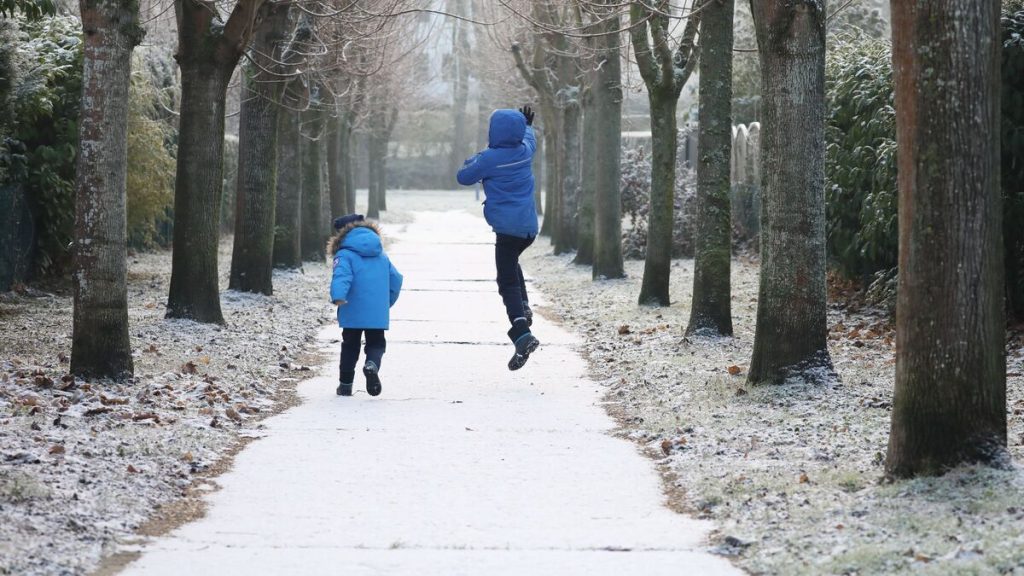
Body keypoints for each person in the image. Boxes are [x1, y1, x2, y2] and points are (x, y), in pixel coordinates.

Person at [456, 106, 540, 371]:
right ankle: (523, 308)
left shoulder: (489, 159)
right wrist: (527, 125)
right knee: (512, 266)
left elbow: (463, 176)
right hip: (528, 228)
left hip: (507, 230)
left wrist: (476, 159)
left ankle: (521, 331)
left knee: (506, 281)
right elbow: (530, 138)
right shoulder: (524, 151)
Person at [328, 214, 403, 396]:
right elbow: (396, 279)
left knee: (350, 346)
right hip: (376, 311)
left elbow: (342, 277)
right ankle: (372, 364)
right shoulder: (381, 255)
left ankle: (345, 385)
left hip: (352, 308)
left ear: (342, 234)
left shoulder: (344, 254)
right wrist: (386, 303)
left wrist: (338, 296)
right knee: (376, 343)